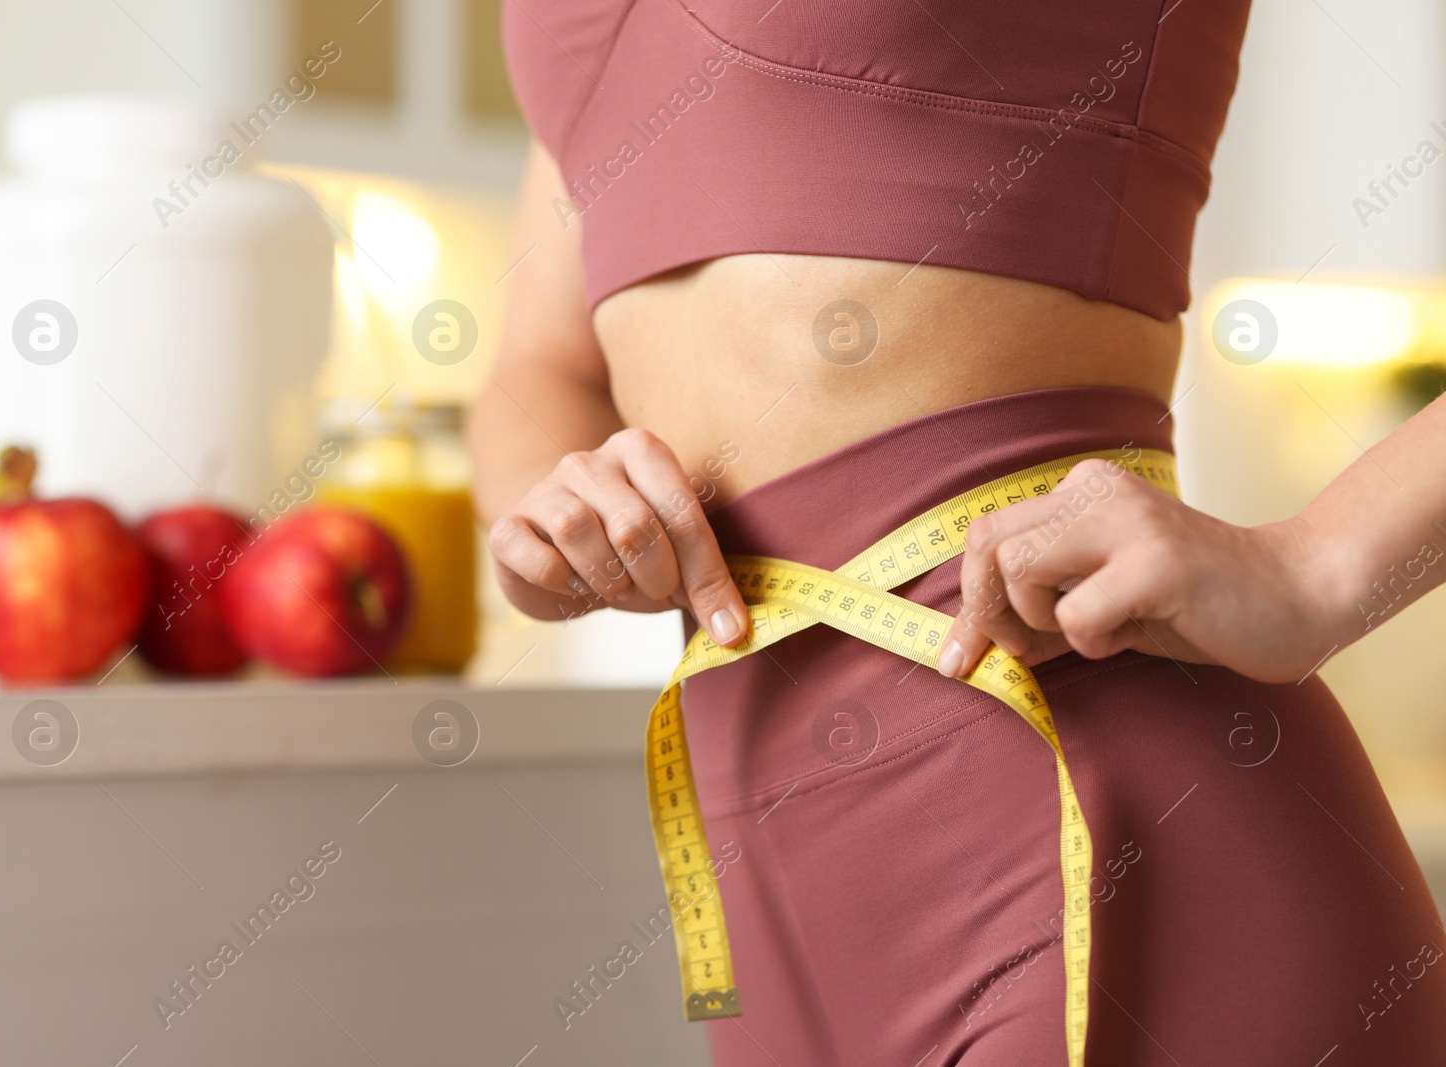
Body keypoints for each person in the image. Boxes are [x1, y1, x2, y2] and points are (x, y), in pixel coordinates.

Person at [469, 0, 1446, 1062]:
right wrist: (544, 505)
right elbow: (546, 358)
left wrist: (1317, 566)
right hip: (780, 906)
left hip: (1114, 835)